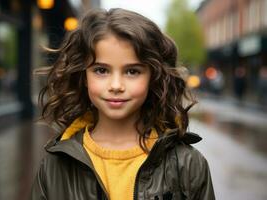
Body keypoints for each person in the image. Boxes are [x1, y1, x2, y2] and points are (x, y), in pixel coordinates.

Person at [31, 8, 215, 200]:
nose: (116, 86)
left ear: (152, 76)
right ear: (84, 76)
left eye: (132, 71)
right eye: (101, 70)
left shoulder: (188, 165)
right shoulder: (53, 167)